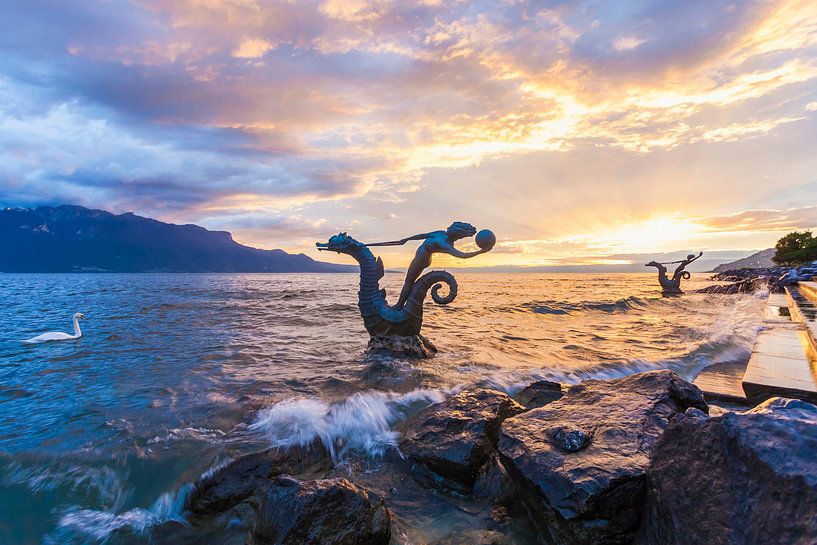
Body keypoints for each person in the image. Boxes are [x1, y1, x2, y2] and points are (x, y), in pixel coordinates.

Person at [365, 222, 487, 308]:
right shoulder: (441, 233)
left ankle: (399, 306)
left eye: (453, 228)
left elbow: (463, 255)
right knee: (410, 282)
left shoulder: (446, 244)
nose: (449, 228)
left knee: (408, 281)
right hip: (420, 256)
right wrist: (406, 239)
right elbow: (424, 235)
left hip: (422, 259)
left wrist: (480, 252)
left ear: (456, 233)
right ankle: (403, 304)